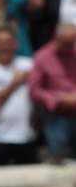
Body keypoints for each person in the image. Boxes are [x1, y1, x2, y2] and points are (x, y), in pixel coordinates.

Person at [0, 26, 38, 166]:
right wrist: (14, 83)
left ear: (16, 44)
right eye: (0, 43)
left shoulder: (29, 65)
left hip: (26, 136)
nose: (5, 47)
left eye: (8, 42)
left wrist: (39, 115)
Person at [28, 22, 76, 164]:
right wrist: (58, 98)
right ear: (56, 37)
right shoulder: (42, 57)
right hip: (57, 118)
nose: (70, 47)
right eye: (67, 44)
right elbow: (34, 91)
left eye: (73, 43)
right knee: (60, 162)